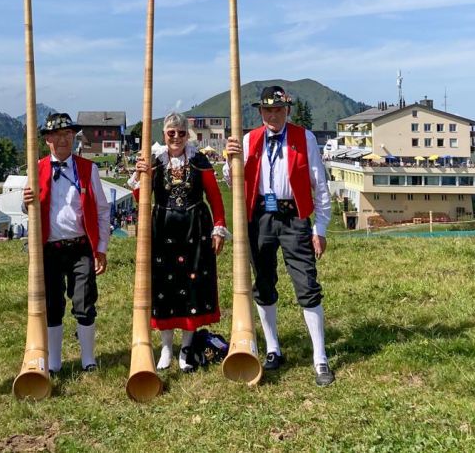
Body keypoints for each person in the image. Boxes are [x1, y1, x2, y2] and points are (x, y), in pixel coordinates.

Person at [223, 86, 334, 386]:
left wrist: (319, 228)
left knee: (307, 284)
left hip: (294, 216)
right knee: (264, 283)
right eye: (267, 110)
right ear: (260, 112)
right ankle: (273, 349)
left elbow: (319, 183)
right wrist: (230, 160)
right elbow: (235, 182)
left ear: (287, 110)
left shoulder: (304, 137)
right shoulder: (249, 139)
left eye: (279, 110)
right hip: (260, 219)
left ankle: (320, 357)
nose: (273, 115)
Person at [128, 112, 228, 372]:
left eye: (181, 133)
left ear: (187, 135)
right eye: (171, 133)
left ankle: (186, 348)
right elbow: (141, 199)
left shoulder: (198, 160)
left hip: (195, 230)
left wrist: (218, 228)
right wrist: (139, 177)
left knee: (192, 286)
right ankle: (165, 347)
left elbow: (215, 197)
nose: (176, 137)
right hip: (162, 230)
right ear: (164, 135)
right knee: (164, 288)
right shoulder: (155, 162)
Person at [22, 113, 110, 374]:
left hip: (80, 246)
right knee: (52, 304)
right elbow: (29, 209)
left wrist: (101, 247)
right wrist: (26, 202)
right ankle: (55, 362)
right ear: (48, 139)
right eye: (58, 135)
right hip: (48, 248)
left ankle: (88, 359)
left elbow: (102, 210)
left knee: (84, 301)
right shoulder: (35, 169)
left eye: (68, 135)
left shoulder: (88, 169)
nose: (63, 140)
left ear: (74, 138)